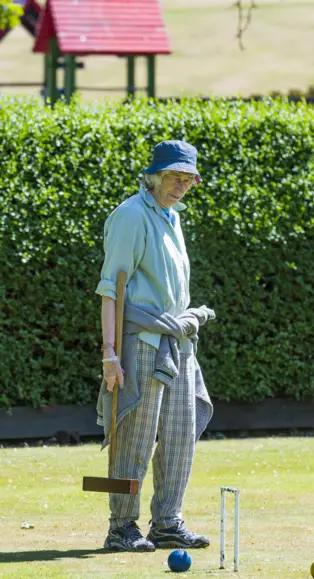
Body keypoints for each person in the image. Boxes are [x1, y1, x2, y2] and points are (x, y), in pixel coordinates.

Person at [96, 140, 215, 552]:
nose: (180, 186)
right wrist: (110, 354)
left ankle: (167, 522)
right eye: (173, 177)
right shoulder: (130, 216)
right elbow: (110, 288)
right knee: (134, 437)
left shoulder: (172, 216)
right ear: (154, 176)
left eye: (187, 179)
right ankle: (120, 526)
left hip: (178, 343)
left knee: (181, 434)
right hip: (142, 343)